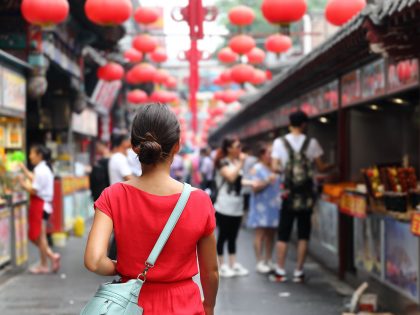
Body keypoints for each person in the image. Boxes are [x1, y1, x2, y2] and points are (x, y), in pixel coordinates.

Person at [84, 103, 219, 315]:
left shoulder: (113, 195)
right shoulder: (199, 201)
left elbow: (94, 261)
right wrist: (209, 306)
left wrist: (125, 267)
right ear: (177, 145)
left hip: (131, 304)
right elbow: (210, 271)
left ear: (134, 146)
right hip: (184, 305)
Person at [270, 111, 332, 283]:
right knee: (304, 234)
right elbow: (321, 166)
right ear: (304, 124)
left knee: (283, 234)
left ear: (290, 123)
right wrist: (333, 165)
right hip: (306, 196)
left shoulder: (279, 142)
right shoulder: (311, 143)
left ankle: (280, 270)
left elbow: (275, 167)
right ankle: (298, 271)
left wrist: (286, 170)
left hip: (287, 195)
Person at [19, 144, 60, 274]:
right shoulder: (44, 168)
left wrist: (22, 184)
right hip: (44, 205)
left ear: (39, 155)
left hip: (40, 205)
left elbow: (34, 189)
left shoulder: (39, 170)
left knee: (37, 236)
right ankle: (46, 260)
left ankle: (49, 259)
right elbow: (37, 181)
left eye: (32, 153)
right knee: (39, 236)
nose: (30, 156)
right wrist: (25, 170)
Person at [213, 137, 249, 278]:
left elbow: (239, 180)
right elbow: (231, 177)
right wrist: (241, 163)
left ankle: (233, 264)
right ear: (229, 148)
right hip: (224, 205)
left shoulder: (235, 162)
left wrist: (253, 183)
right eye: (237, 146)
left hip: (237, 205)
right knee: (223, 235)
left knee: (233, 236)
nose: (240, 148)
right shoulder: (222, 162)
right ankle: (222, 265)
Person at [246, 144, 281, 274]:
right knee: (260, 234)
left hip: (273, 205)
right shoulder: (257, 168)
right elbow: (254, 187)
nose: (271, 156)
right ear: (262, 155)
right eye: (269, 153)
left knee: (271, 233)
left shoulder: (274, 168)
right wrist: (267, 180)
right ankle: (259, 261)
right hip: (260, 206)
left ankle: (268, 259)